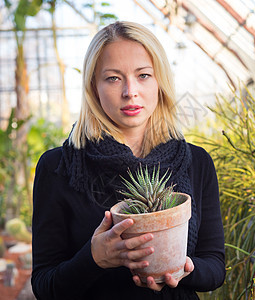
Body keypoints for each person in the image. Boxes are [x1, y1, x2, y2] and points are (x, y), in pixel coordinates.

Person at [31, 21, 225, 300]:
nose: (130, 91)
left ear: (160, 82)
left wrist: (184, 269)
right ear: (93, 87)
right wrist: (93, 259)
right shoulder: (58, 167)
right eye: (113, 78)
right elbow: (44, 285)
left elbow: (215, 267)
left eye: (144, 75)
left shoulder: (196, 161)